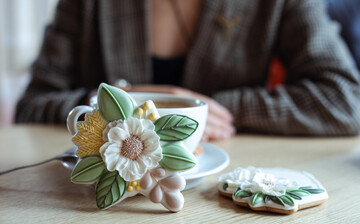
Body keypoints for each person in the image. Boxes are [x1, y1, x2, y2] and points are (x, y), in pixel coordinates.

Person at [16, 0, 360, 140]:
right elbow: (31, 107)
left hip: (227, 199)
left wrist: (206, 111)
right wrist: (117, 107)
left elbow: (348, 100)